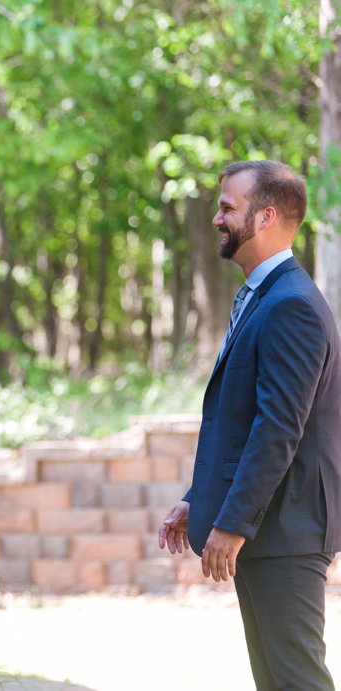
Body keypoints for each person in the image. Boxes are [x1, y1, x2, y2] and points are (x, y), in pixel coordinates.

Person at [159, 160, 341, 690]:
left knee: (297, 679)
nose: (216, 219)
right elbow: (241, 422)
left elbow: (278, 429)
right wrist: (199, 498)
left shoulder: (291, 305)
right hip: (273, 526)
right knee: (277, 682)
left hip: (287, 526)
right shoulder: (264, 296)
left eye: (227, 208)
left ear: (265, 217)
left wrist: (234, 523)